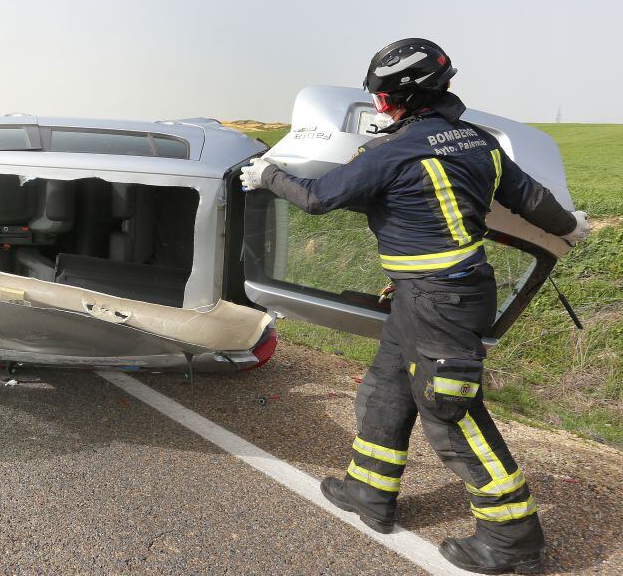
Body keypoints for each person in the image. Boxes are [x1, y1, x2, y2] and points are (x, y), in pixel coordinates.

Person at [240, 38, 590, 574]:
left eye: (381, 98)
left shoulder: (395, 151)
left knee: (452, 414)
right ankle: (368, 491)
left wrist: (268, 176)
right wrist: (571, 228)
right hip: (430, 294)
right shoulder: (477, 142)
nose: (379, 106)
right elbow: (533, 200)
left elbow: (317, 197)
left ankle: (512, 536)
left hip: (441, 302)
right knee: (386, 390)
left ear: (397, 98)